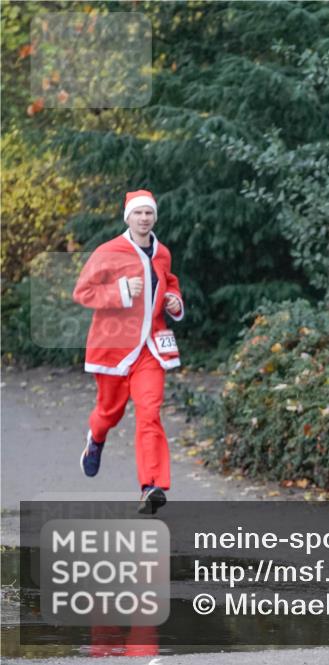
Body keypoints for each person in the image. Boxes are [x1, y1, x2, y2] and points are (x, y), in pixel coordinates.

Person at [73, 190, 185, 515]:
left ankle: (151, 486)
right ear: (128, 218)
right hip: (114, 349)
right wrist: (120, 291)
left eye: (149, 213)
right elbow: (83, 292)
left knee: (150, 412)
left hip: (151, 348)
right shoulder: (109, 252)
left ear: (154, 217)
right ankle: (95, 439)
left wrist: (175, 301)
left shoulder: (162, 253)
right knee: (110, 412)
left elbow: (170, 282)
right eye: (138, 214)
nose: (144, 219)